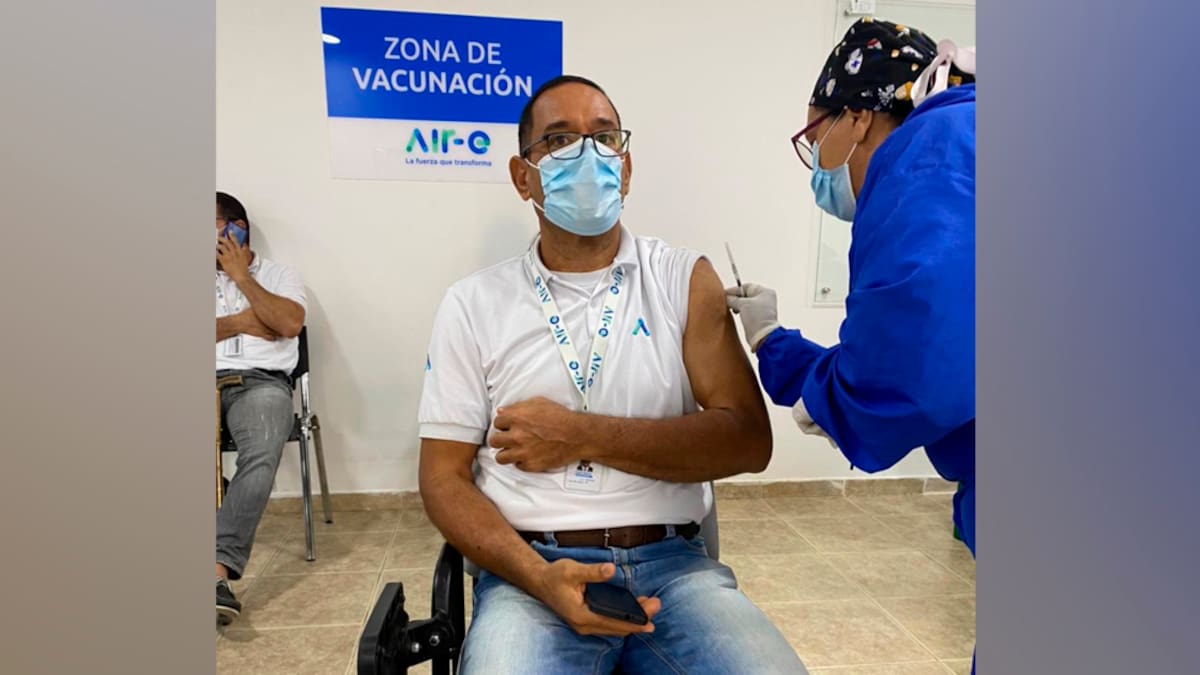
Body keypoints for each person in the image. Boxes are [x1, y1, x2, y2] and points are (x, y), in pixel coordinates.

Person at [418, 75, 806, 674]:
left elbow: (748, 441)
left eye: (604, 138)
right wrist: (539, 578)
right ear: (523, 177)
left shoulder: (683, 279)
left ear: (625, 168)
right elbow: (442, 478)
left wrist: (578, 435)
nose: (587, 156)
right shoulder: (473, 304)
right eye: (559, 140)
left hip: (676, 571)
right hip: (531, 576)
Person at [726, 18, 976, 557]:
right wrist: (773, 340)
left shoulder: (923, 164)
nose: (816, 162)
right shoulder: (967, 142)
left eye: (814, 138)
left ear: (859, 117)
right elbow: (924, 345)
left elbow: (908, 378)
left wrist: (824, 400)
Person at [214, 191, 307, 625]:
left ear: (237, 229)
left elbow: (288, 322)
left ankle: (215, 571)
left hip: (261, 384)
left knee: (263, 448)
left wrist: (242, 278)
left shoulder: (279, 275)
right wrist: (246, 321)